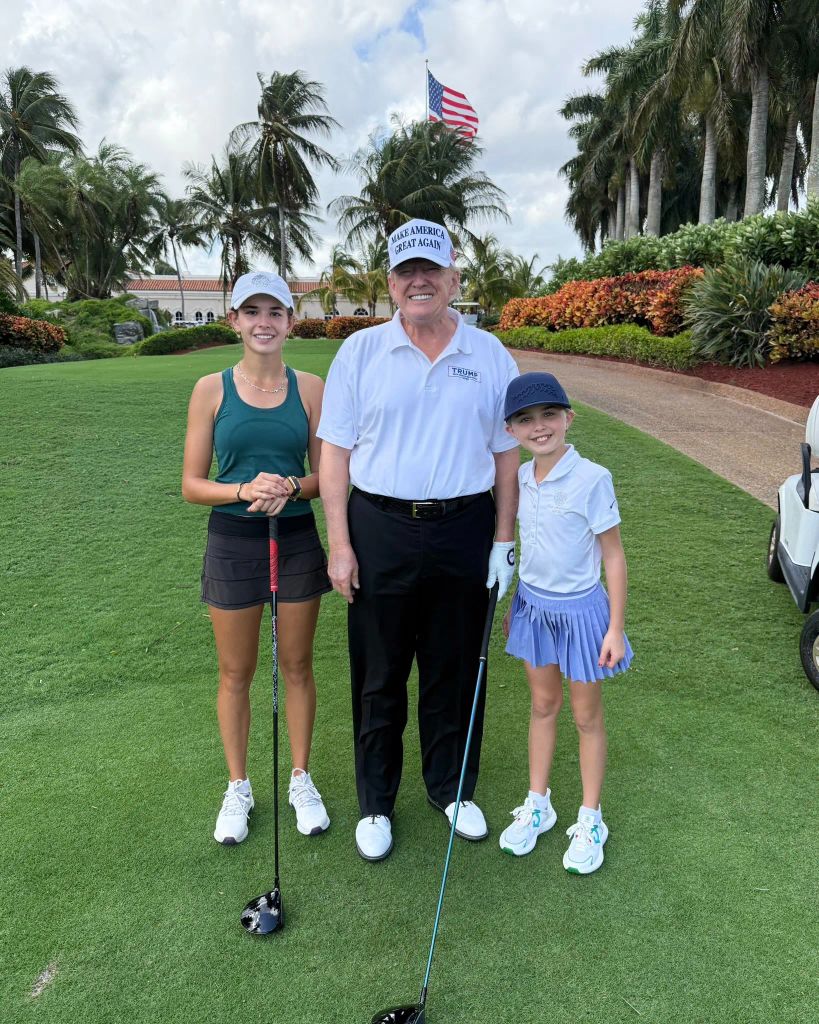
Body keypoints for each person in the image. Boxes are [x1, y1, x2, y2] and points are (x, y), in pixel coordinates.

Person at [318, 218, 520, 861]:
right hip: (379, 526)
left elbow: (508, 456)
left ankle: (451, 787)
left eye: (431, 270)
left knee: (454, 669)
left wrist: (503, 539)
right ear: (390, 284)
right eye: (406, 272)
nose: (419, 281)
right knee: (378, 673)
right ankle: (376, 801)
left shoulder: (490, 355)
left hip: (464, 526)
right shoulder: (361, 353)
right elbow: (335, 455)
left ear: (455, 278)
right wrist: (340, 545)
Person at [182, 271, 332, 845]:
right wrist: (245, 490)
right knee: (235, 671)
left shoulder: (311, 387)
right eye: (252, 312)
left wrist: (291, 487)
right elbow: (193, 484)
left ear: (291, 322)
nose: (264, 322)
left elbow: (326, 475)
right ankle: (239, 785)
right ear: (234, 321)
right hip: (233, 540)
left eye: (275, 311)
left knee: (296, 665)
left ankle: (300, 777)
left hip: (294, 537)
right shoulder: (210, 389)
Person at [498, 372, 633, 874]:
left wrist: (614, 628)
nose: (539, 427)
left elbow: (613, 557)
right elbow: (529, 552)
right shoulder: (519, 479)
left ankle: (591, 816)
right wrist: (516, 603)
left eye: (549, 415)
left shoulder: (592, 478)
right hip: (534, 607)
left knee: (585, 715)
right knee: (542, 704)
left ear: (568, 418)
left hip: (582, 615)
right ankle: (539, 803)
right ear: (511, 430)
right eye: (526, 420)